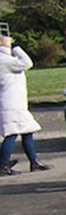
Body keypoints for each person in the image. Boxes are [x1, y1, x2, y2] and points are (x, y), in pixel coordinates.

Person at [0, 33, 51, 175]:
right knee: (12, 133)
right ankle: (3, 164)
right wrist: (16, 48)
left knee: (27, 131)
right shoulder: (4, 60)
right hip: (11, 103)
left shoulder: (6, 59)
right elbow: (27, 63)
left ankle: (34, 161)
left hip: (15, 102)